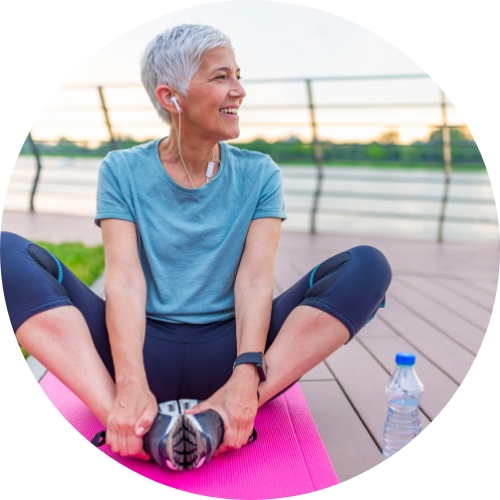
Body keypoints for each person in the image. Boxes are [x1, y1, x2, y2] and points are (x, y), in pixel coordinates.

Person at [0, 24, 392, 471]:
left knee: (367, 267)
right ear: (172, 98)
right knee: (6, 253)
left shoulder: (261, 173)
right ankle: (123, 416)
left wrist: (247, 373)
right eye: (222, 77)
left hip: (230, 357)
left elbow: (255, 279)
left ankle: (224, 413)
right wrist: (130, 382)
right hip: (137, 349)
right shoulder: (121, 170)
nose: (239, 91)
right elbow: (125, 281)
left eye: (238, 75)